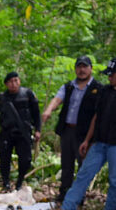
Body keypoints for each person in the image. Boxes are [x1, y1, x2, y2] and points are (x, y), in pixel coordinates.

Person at [60, 57, 116, 210]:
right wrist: (87, 140)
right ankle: (68, 207)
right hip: (99, 142)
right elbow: (96, 117)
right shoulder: (106, 91)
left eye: (112, 75)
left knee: (115, 180)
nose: (109, 78)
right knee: (84, 173)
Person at [41, 56, 103, 202]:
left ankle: (78, 197)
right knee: (66, 164)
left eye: (84, 67)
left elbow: (99, 113)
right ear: (75, 69)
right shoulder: (68, 86)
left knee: (83, 166)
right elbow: (57, 99)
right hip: (67, 130)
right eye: (79, 67)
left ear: (90, 69)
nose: (81, 70)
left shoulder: (98, 89)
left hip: (85, 133)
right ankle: (63, 194)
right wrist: (48, 110)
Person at [0, 72, 41, 191]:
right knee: (4, 159)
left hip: (24, 132)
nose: (14, 84)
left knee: (25, 159)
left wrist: (38, 130)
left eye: (16, 80)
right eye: (11, 81)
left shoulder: (28, 94)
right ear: (6, 84)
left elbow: (36, 114)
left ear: (19, 81)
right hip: (7, 132)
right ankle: (6, 182)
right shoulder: (1, 98)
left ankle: (20, 182)